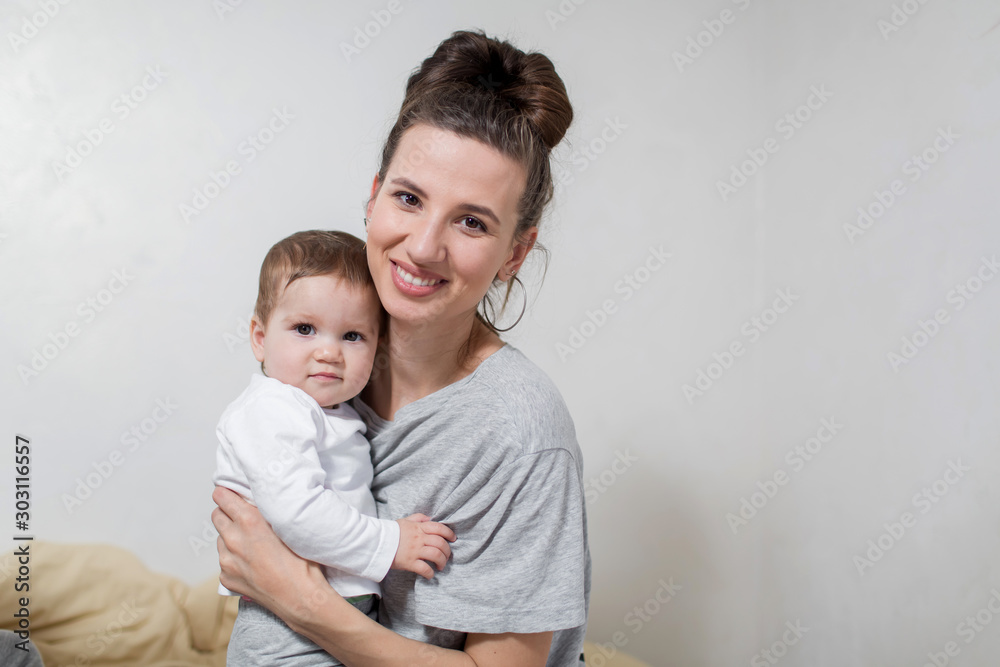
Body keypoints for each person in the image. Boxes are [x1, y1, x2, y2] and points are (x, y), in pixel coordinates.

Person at [212, 29, 591, 666]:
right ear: (373, 196)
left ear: (515, 254)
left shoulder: (521, 433)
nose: (422, 247)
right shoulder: (329, 358)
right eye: (409, 198)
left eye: (472, 221)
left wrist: (300, 600)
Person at [214, 229, 456, 666]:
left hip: (338, 615)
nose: (328, 352)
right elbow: (297, 513)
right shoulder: (272, 408)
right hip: (282, 630)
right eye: (304, 329)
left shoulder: (337, 410)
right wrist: (391, 542)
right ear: (260, 338)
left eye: (352, 336)